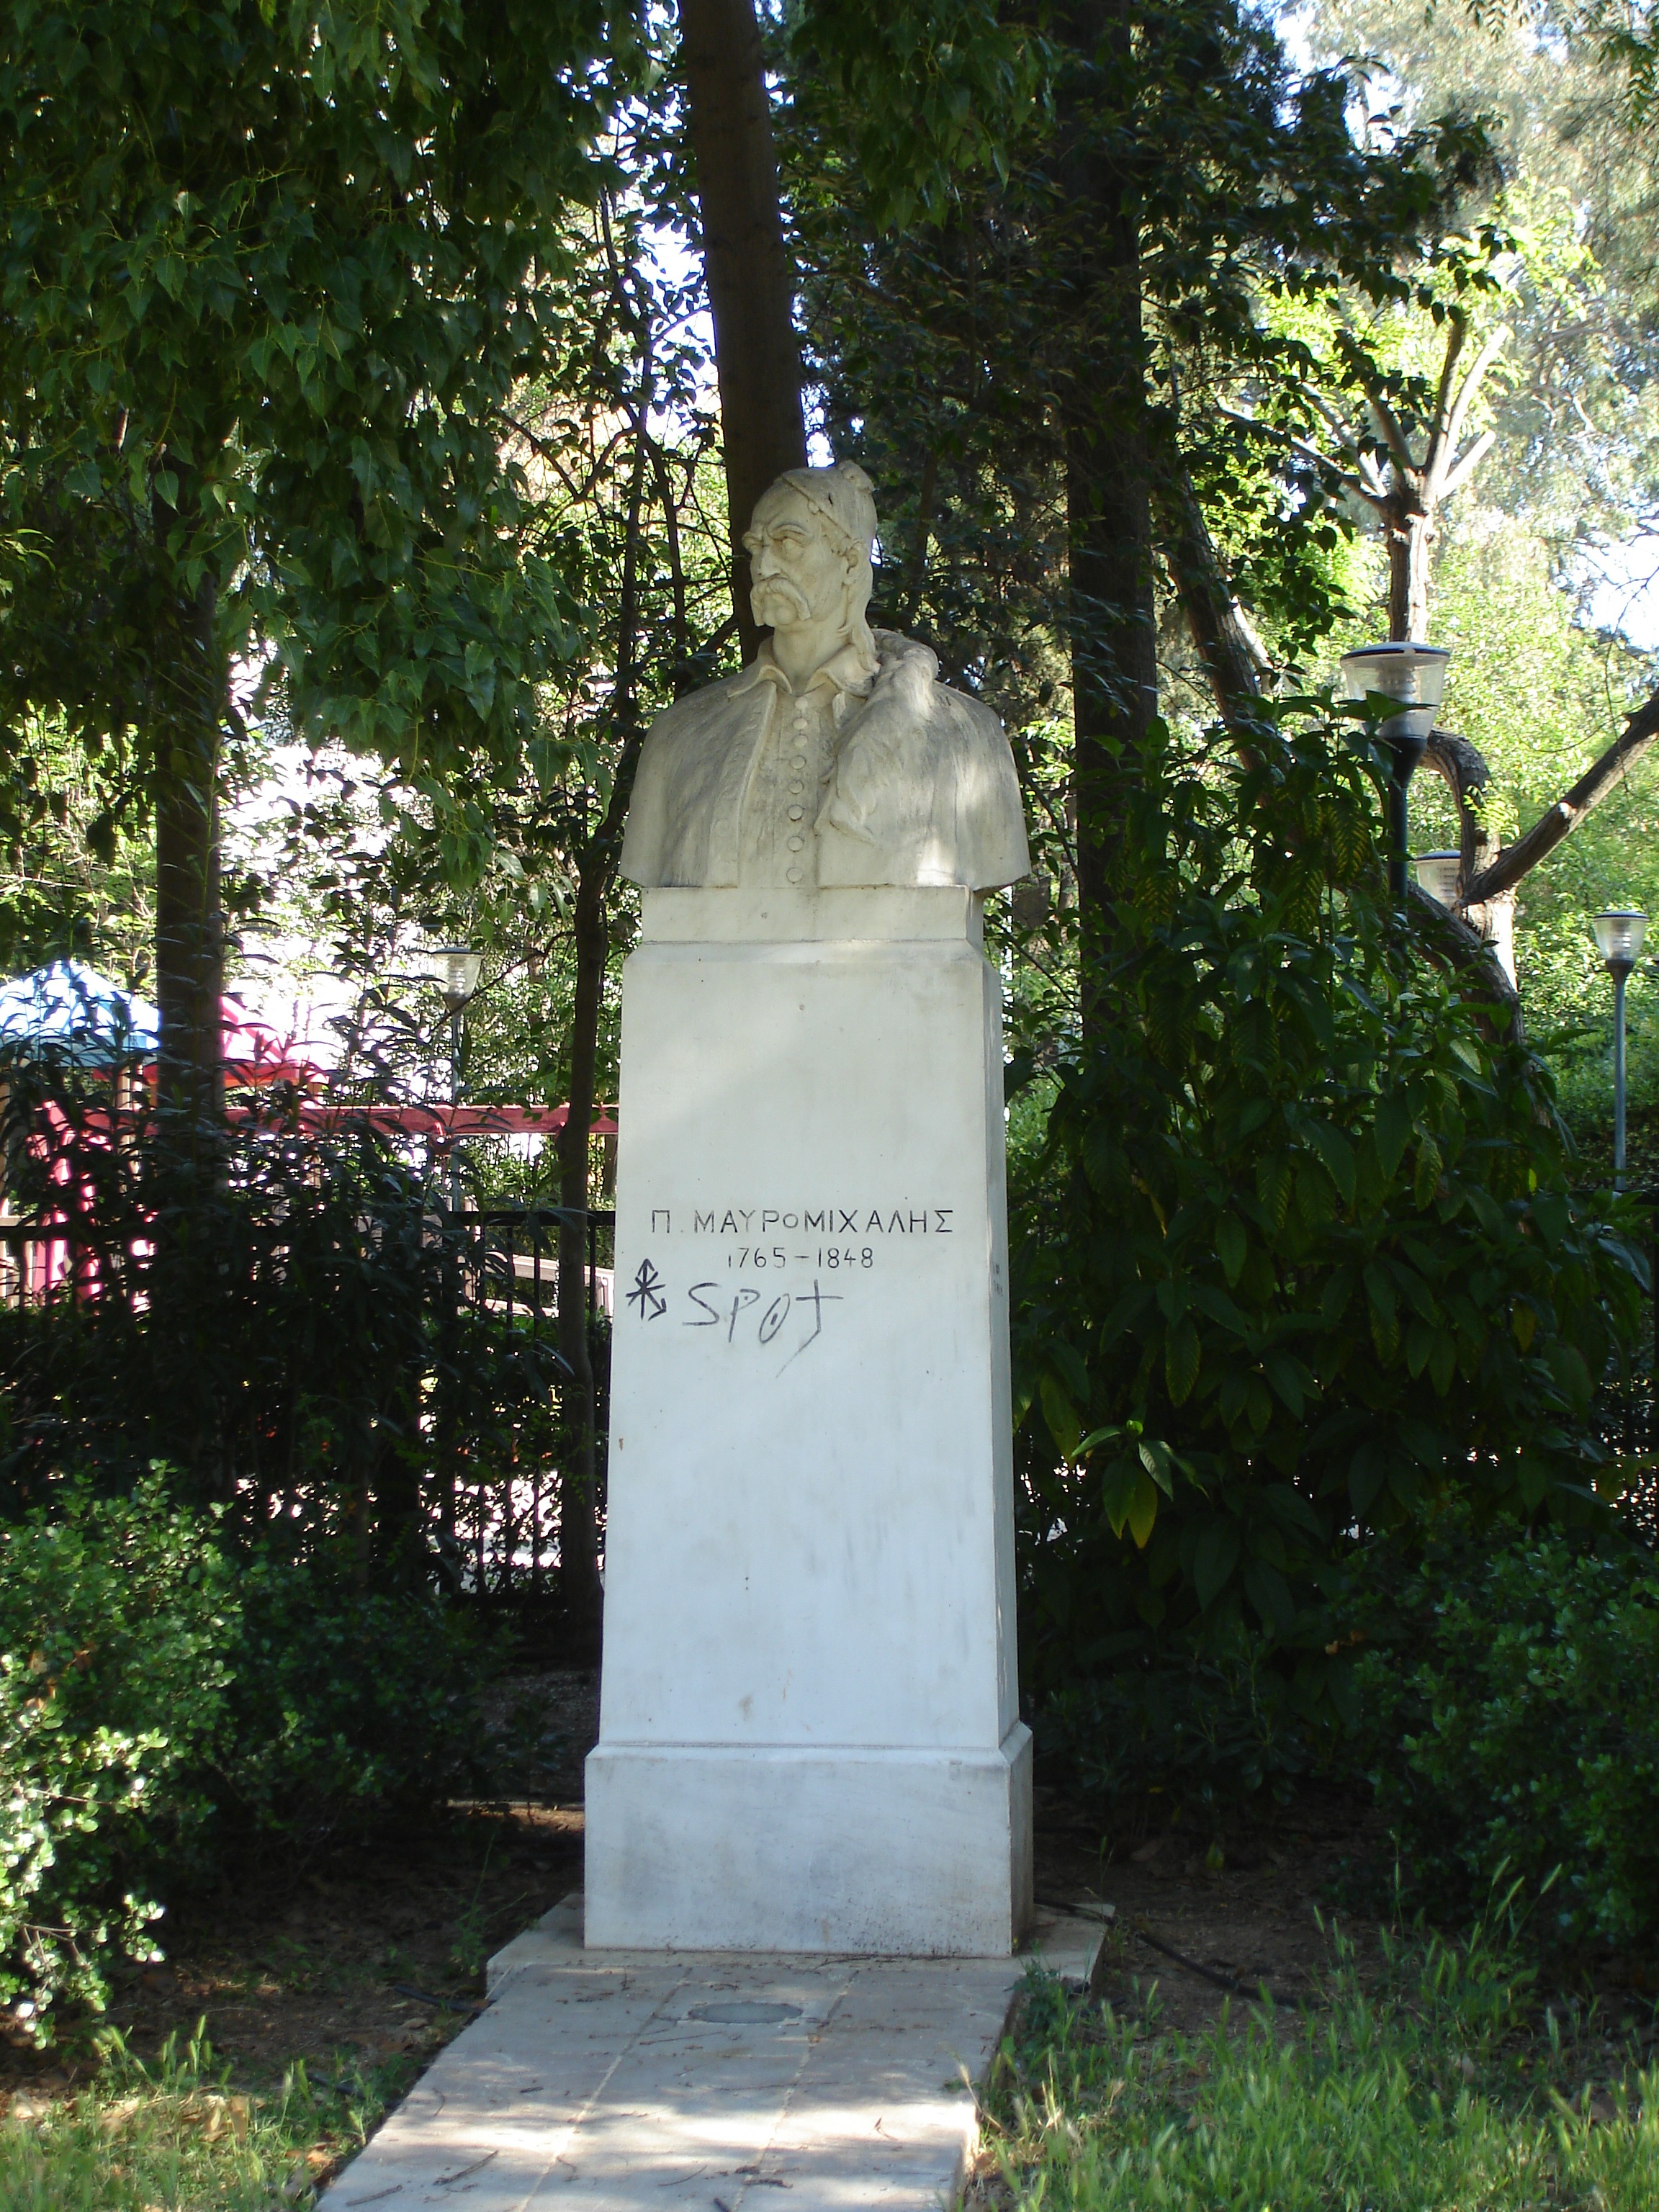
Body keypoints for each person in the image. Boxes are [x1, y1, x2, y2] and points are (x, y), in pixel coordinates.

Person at [619, 462, 1030, 892]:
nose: (764, 565)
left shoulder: (965, 736)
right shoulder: (679, 735)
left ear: (851, 562)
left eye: (788, 542)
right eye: (756, 546)